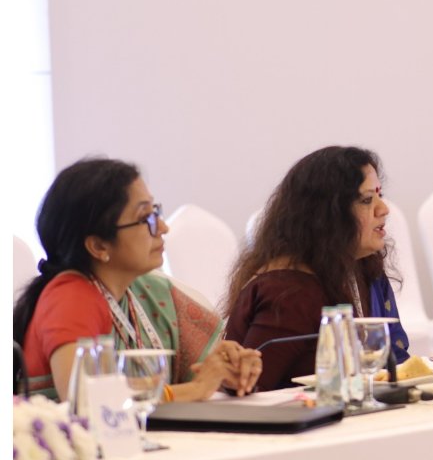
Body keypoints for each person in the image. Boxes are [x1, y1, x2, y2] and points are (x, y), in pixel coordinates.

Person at [13, 157, 262, 400]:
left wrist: (227, 368)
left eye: (156, 211)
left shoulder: (151, 292)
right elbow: (85, 397)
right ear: (99, 245)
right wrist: (194, 390)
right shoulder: (71, 296)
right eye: (146, 219)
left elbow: (206, 371)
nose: (163, 227)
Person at [224, 146, 409, 390]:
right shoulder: (288, 293)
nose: (383, 209)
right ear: (327, 216)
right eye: (366, 200)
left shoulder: (364, 267)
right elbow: (250, 392)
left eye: (379, 195)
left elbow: (396, 360)